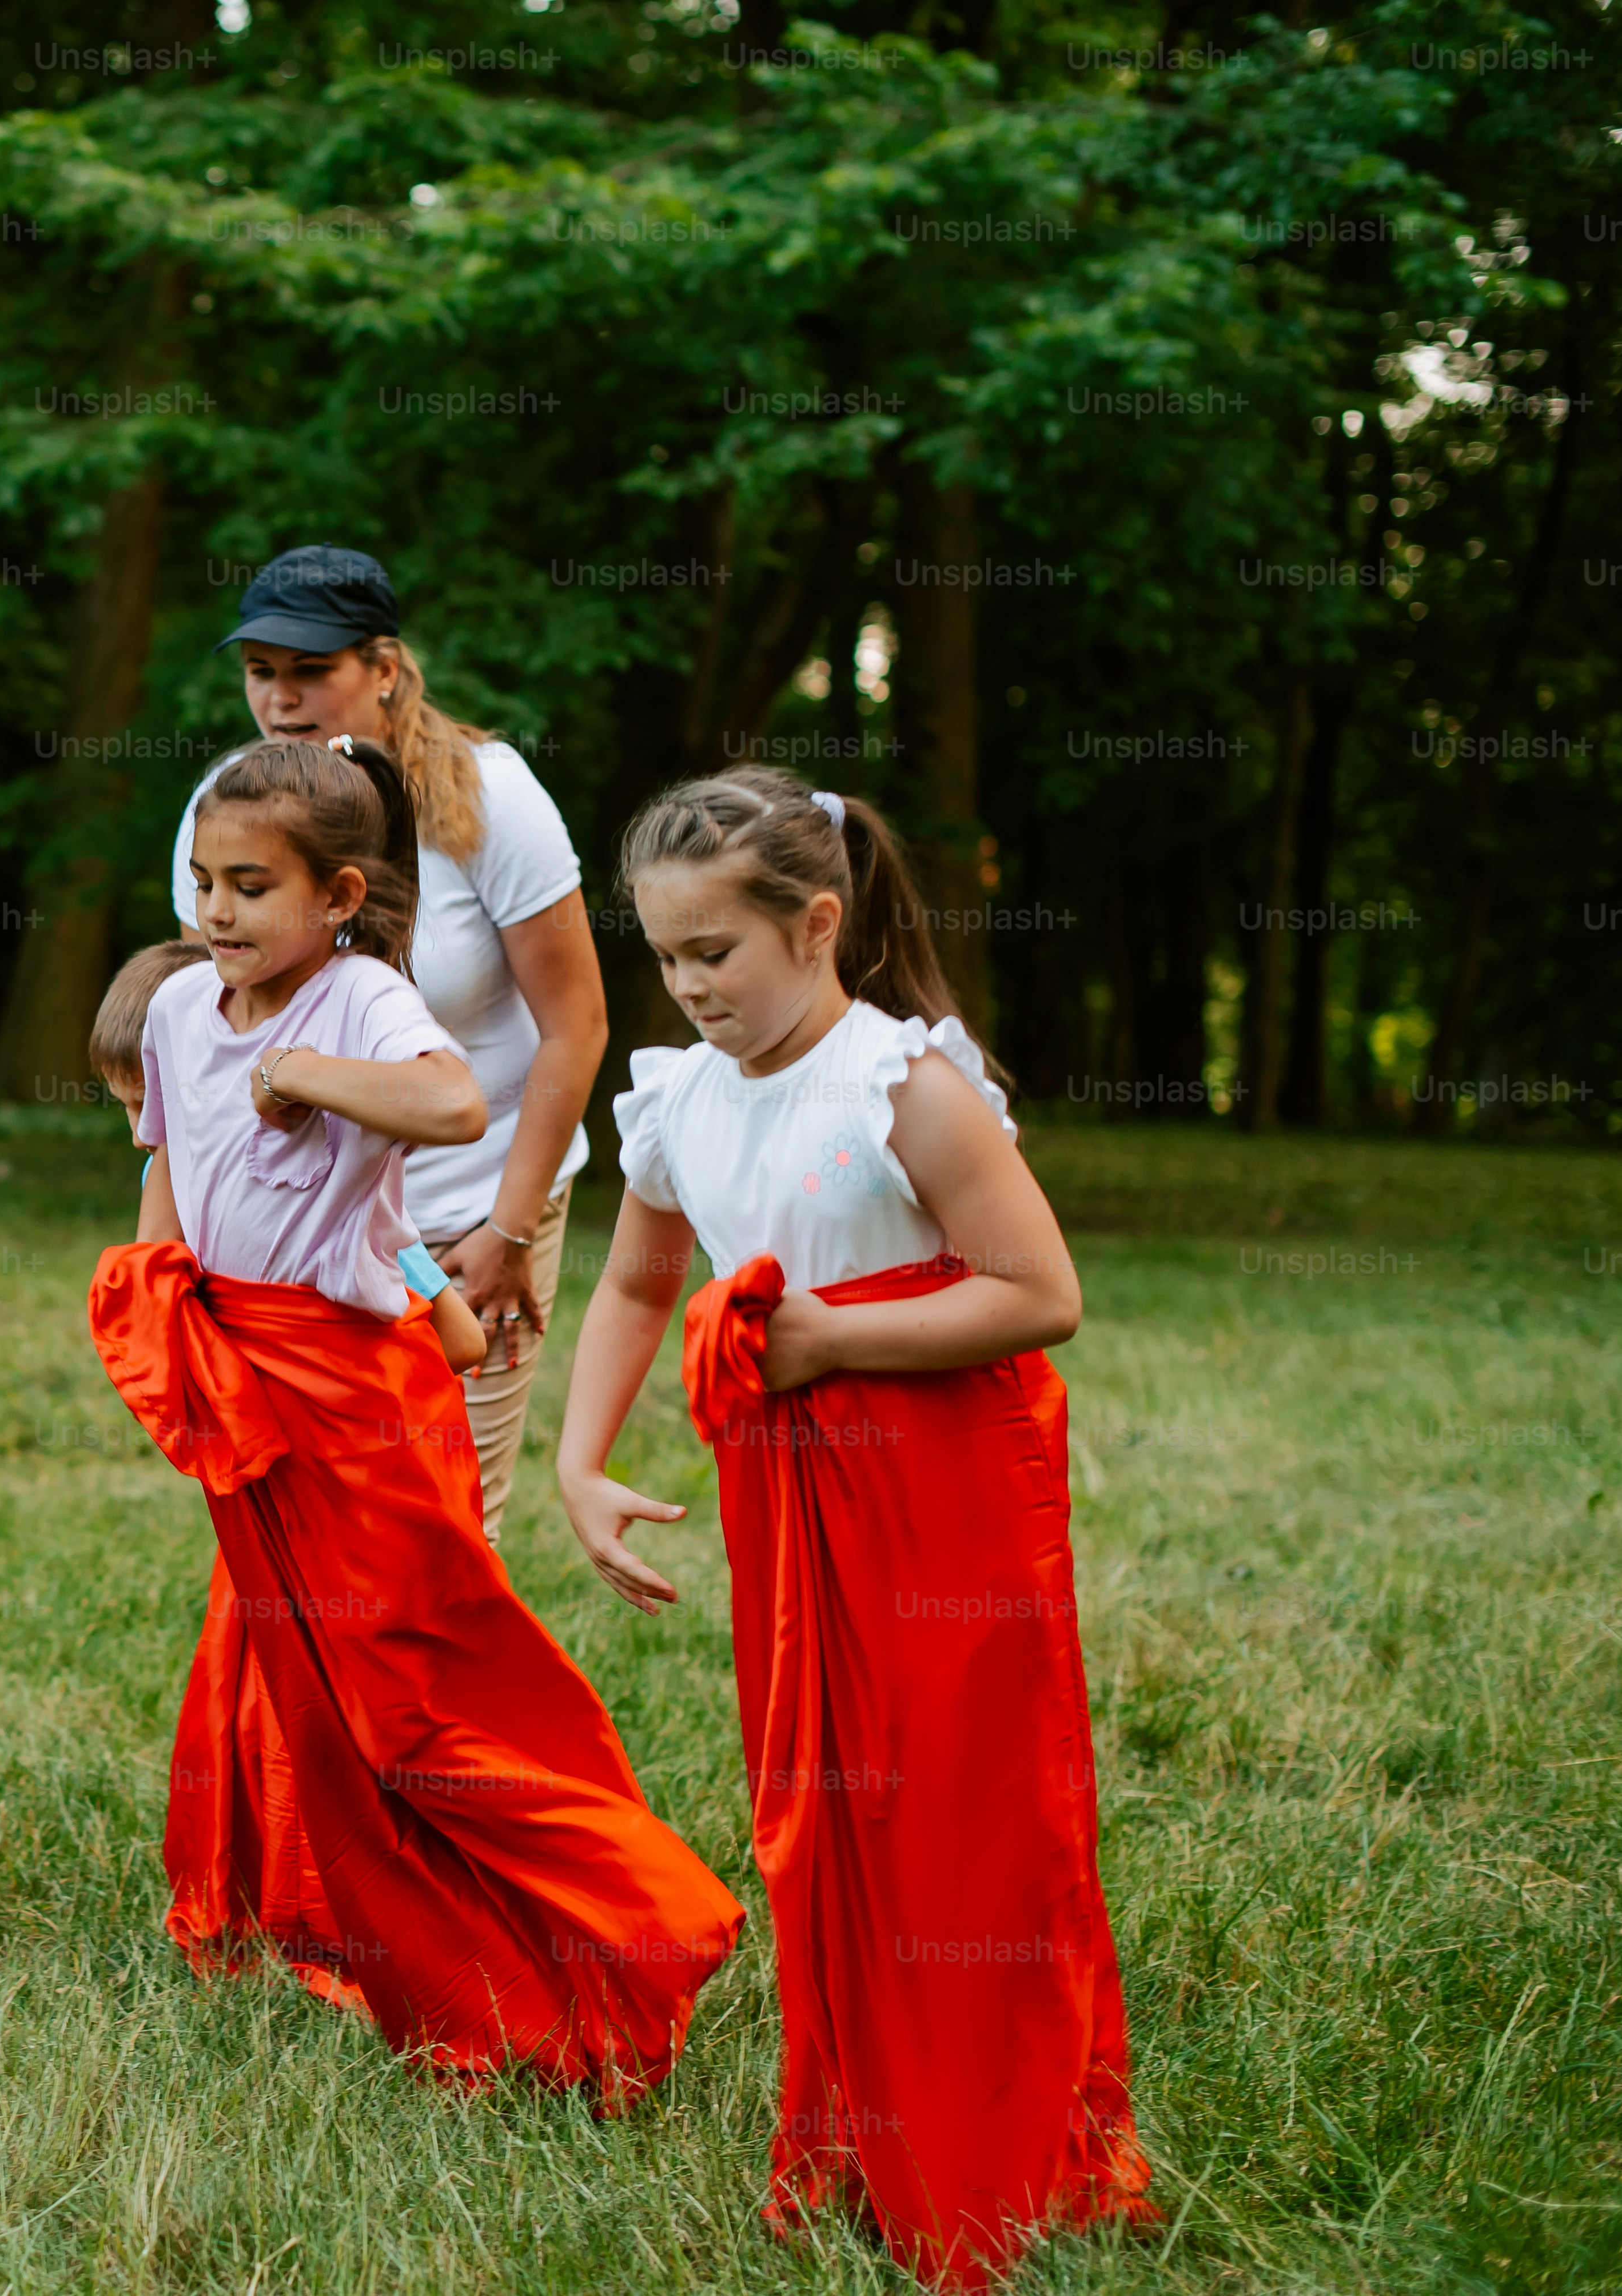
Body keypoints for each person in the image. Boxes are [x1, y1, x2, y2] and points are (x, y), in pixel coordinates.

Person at [550, 771, 1156, 2286]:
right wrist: (580, 1462)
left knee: (961, 1815)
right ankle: (857, 2119)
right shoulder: (679, 1097)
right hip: (789, 1495)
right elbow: (634, 1284)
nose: (691, 989)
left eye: (719, 955)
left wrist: (828, 1343)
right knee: (822, 1810)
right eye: (670, 959)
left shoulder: (905, 1084)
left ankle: (1005, 2149)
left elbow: (1039, 1293)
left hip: (943, 1490)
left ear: (819, 925)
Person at [94, 737, 742, 2094]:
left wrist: (305, 1075)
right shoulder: (172, 1010)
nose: (217, 912)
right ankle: (342, 1913)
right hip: (236, 1370)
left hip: (353, 1393)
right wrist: (153, 1313)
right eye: (206, 883)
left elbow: (452, 1104)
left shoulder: (359, 1001)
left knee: (409, 1689)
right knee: (290, 1674)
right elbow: (171, 1175)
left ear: (335, 894)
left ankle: (632, 1917)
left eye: (251, 887)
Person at [175, 545, 606, 1542]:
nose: (281, 699)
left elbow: (575, 1023)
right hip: (307, 1234)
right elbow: (216, 1039)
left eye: (310, 670)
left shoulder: (489, 796)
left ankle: (452, 1704)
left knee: (450, 1527)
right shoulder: (229, 809)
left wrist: (506, 1233)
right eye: (259, 672)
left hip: (475, 1213)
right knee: (310, 1522)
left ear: (384, 667)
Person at [95, 935, 486, 1374]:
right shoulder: (162, 1177)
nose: (139, 1134)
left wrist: (348, 1386)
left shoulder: (332, 1197)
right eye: (127, 1105)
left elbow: (463, 1341)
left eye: (150, 1103)